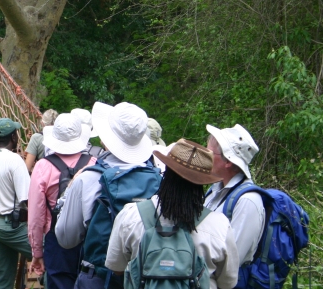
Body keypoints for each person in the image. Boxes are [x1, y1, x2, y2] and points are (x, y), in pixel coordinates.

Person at [105, 140, 239, 289]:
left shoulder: (130, 216)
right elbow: (228, 282)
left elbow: (116, 267)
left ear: (166, 171)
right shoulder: (219, 226)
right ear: (203, 182)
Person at [55, 101, 161, 289]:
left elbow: (66, 239)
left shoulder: (88, 179)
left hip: (99, 278)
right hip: (147, 279)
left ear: (105, 139)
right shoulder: (160, 180)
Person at [28, 114, 96, 289]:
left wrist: (37, 252)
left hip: (56, 240)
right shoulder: (94, 163)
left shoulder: (43, 167)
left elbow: (36, 215)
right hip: (88, 240)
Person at [0, 118, 33, 289]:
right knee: (52, 256)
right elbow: (26, 199)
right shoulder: (14, 160)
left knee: (2, 278)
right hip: (9, 225)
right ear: (13, 137)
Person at [203, 124, 264, 269]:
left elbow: (231, 262)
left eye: (210, 152)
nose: (205, 156)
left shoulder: (248, 202)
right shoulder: (214, 191)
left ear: (228, 162)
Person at [24, 109, 58, 173]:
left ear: (42, 123)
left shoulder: (36, 138)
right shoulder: (64, 137)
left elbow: (27, 168)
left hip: (44, 176)